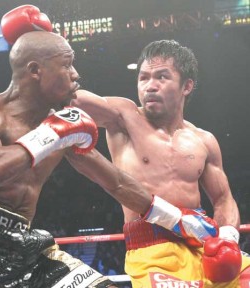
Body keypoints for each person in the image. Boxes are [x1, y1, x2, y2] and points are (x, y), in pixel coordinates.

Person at [0, 5, 154, 288]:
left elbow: (117, 182)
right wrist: (50, 134)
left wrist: (179, 220)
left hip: (23, 245)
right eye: (67, 64)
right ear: (36, 70)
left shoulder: (61, 127)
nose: (75, 74)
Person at [68, 39, 250, 287]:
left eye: (162, 77)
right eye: (143, 78)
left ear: (186, 86)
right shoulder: (123, 116)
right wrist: (55, 68)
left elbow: (223, 198)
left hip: (204, 245)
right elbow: (70, 101)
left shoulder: (203, 140)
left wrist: (228, 239)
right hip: (153, 251)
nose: (150, 86)